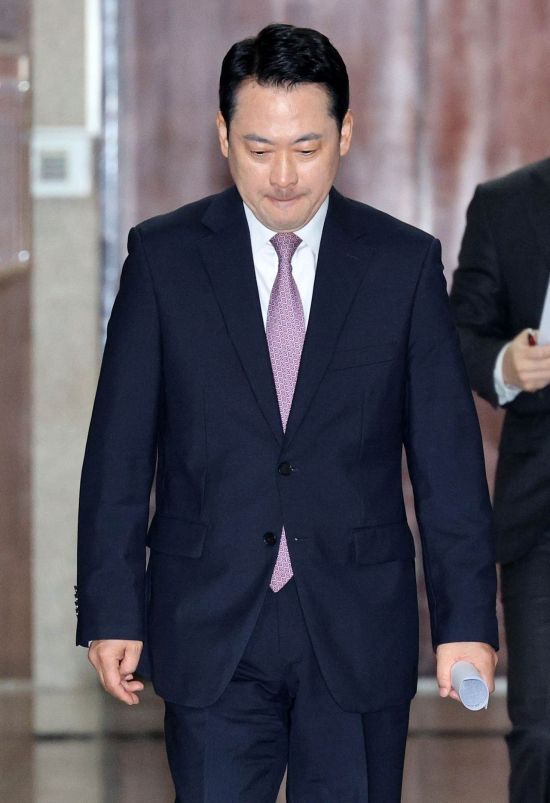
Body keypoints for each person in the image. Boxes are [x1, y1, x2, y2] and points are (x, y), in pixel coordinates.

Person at [76, 23, 498, 802]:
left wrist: (466, 621)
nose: (281, 175)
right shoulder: (165, 259)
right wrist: (111, 607)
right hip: (210, 620)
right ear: (222, 137)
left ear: (346, 134)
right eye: (258, 148)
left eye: (306, 148)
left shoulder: (402, 264)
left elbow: (447, 462)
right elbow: (119, 453)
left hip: (356, 621)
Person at [450, 157, 550, 803]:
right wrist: (506, 364)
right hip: (543, 515)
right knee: (544, 732)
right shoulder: (508, 203)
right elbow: (459, 333)